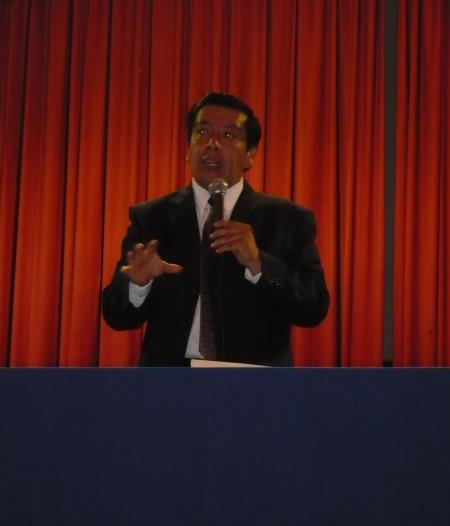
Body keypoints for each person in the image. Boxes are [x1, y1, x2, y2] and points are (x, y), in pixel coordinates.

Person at [102, 92, 330, 366]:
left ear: (250, 155)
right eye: (202, 132)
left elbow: (313, 307)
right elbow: (116, 315)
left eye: (229, 135)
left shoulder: (288, 220)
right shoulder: (151, 217)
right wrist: (138, 284)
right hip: (169, 380)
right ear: (187, 149)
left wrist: (259, 264)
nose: (213, 143)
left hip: (252, 380)